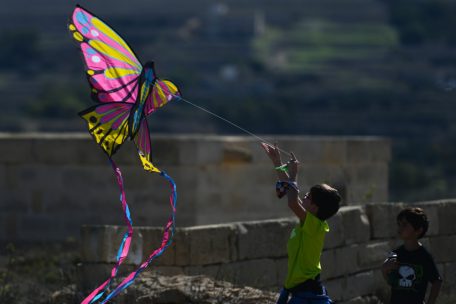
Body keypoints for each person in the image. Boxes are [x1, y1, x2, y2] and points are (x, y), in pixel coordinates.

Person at [261, 142, 341, 304]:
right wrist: (277, 162)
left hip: (307, 294)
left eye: (308, 196)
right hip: (300, 292)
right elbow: (292, 195)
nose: (304, 196)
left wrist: (293, 174)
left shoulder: (315, 226)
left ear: (315, 207)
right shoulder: (310, 222)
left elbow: (292, 201)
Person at [381, 207, 442, 304]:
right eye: (399, 224)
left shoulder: (424, 256)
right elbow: (391, 281)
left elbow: (436, 281)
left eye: (404, 225)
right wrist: (384, 270)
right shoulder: (395, 253)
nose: (400, 228)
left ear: (418, 230)